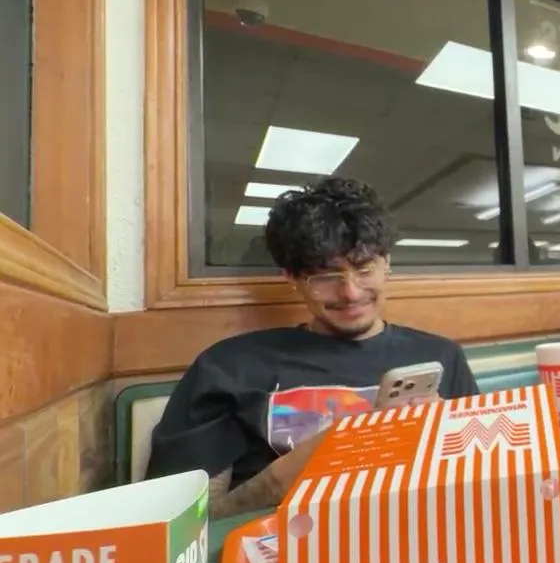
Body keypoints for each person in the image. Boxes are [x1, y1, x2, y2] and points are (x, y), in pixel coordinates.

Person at [146, 178, 479, 518]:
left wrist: (448, 437)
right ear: (291, 277)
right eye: (325, 277)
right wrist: (300, 469)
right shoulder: (229, 367)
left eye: (365, 269)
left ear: (387, 263)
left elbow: (476, 486)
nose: (350, 292)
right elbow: (183, 523)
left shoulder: (441, 358)